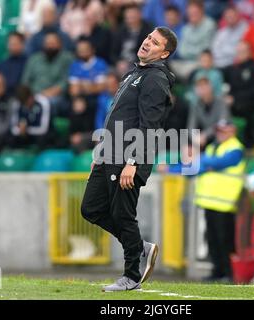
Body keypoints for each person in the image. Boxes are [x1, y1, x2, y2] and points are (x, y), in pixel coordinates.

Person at [81, 27, 177, 292]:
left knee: (123, 215)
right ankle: (139, 247)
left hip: (128, 158)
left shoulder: (155, 79)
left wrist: (133, 162)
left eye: (155, 42)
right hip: (109, 154)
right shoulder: (134, 73)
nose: (147, 42)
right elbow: (116, 117)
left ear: (164, 53)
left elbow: (150, 125)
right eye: (148, 38)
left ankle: (132, 276)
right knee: (91, 208)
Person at [194, 119, 246, 283]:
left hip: (225, 203)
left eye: (224, 130)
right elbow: (201, 167)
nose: (220, 134)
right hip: (209, 201)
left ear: (233, 131)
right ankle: (217, 271)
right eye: (219, 131)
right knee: (212, 239)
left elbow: (221, 162)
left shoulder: (236, 148)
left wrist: (204, 160)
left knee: (225, 240)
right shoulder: (212, 147)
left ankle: (229, 273)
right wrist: (206, 163)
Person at [21, 32, 74, 115]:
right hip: (33, 95)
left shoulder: (67, 58)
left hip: (56, 96)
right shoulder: (34, 59)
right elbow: (25, 80)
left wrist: (48, 93)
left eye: (53, 43)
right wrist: (29, 95)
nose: (50, 46)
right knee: (17, 103)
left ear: (60, 44)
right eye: (47, 43)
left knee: (48, 104)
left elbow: (66, 80)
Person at [187, 77, 229, 149]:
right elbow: (191, 126)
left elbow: (222, 123)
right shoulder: (196, 105)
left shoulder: (221, 102)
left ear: (210, 87)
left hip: (219, 135)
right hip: (202, 139)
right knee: (188, 144)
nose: (202, 90)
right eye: (199, 87)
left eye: (204, 86)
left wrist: (205, 135)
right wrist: (196, 137)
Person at [8, 85, 54, 150]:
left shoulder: (43, 102)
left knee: (43, 139)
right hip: (25, 134)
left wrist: (27, 129)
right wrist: (20, 130)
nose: (26, 105)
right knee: (10, 138)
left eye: (27, 102)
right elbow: (13, 128)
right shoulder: (17, 104)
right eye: (24, 103)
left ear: (31, 96)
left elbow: (44, 129)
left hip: (40, 133)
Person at [0, 32, 27, 96]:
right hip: (5, 98)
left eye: (15, 43)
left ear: (22, 44)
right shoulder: (2, 64)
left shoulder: (28, 62)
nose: (12, 46)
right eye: (10, 44)